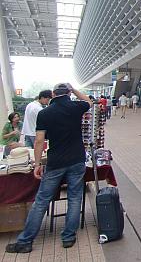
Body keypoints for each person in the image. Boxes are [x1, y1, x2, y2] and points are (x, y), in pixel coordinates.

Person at [5, 83, 92, 254]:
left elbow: (39, 141)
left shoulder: (45, 113)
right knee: (75, 198)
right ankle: (68, 237)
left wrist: (37, 164)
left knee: (42, 201)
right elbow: (89, 101)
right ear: (68, 93)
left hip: (55, 162)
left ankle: (25, 241)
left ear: (52, 94)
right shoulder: (76, 107)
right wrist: (74, 90)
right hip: (77, 160)